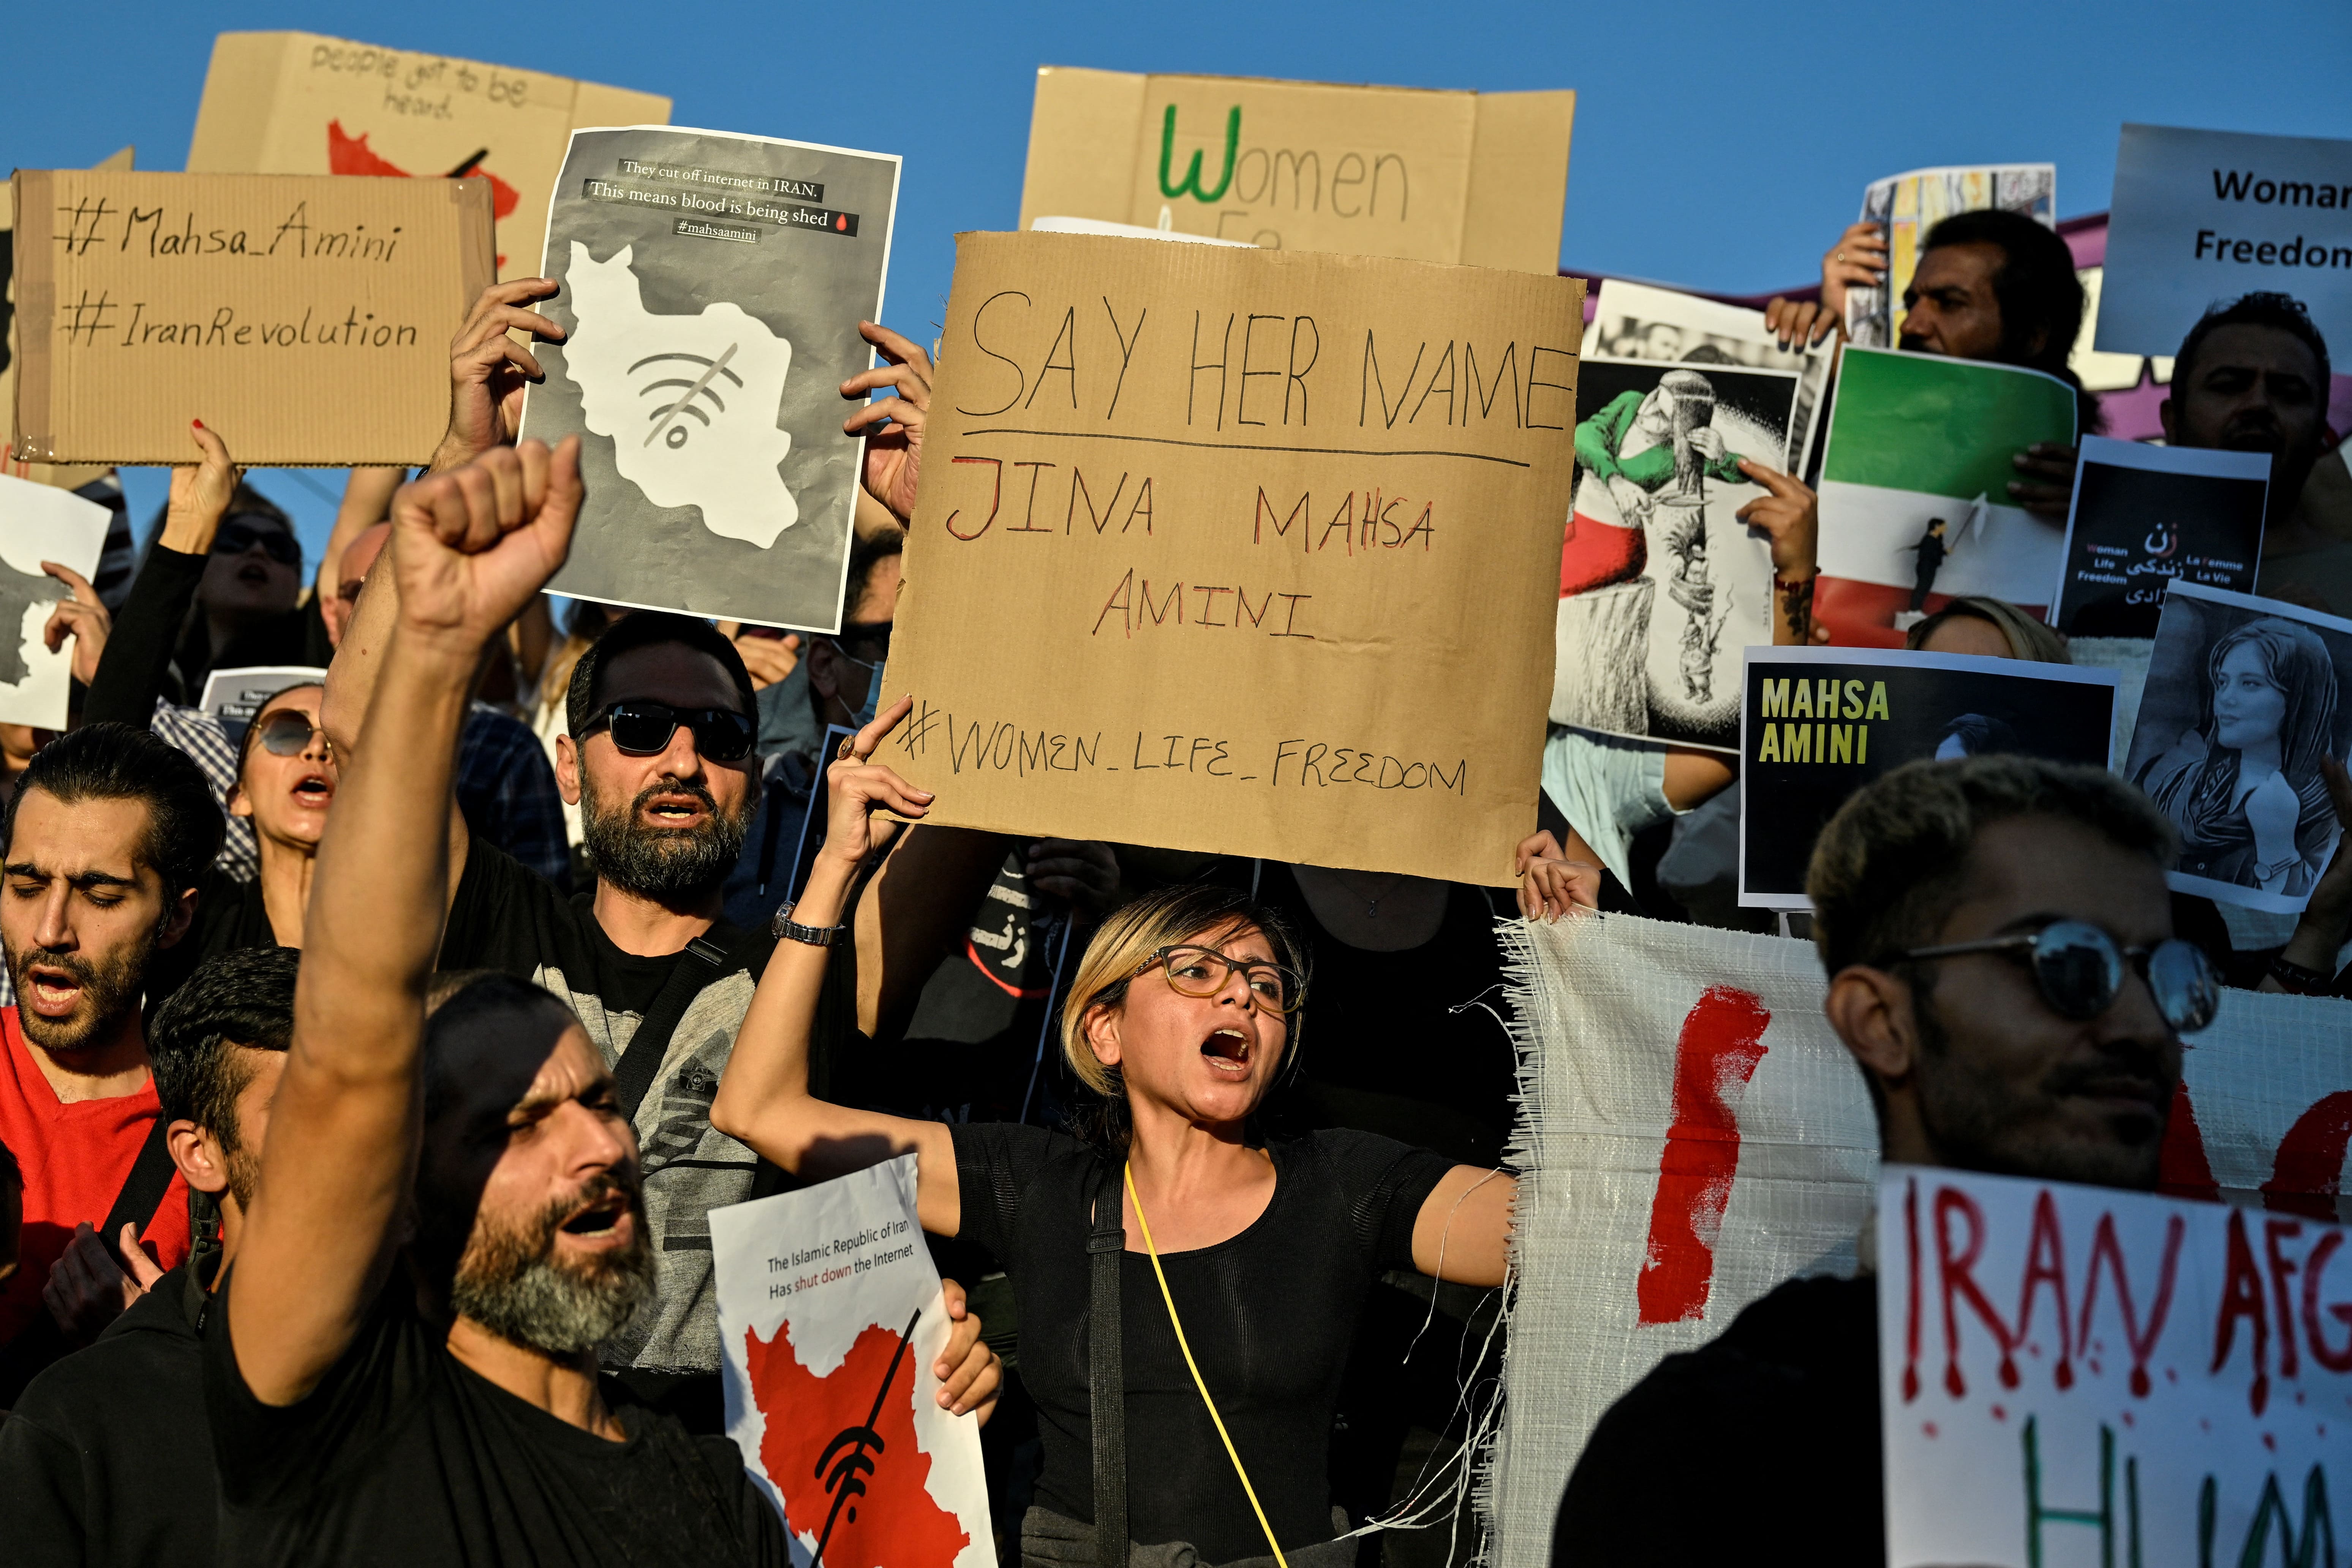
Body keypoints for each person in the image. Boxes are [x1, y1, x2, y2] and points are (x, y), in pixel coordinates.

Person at [202, 437, 997, 1565]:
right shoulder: (495, 928)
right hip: (486, 1417)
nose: (680, 756)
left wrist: (958, 537)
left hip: (734, 1475)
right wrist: (458, 463)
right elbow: (362, 734)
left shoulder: (806, 964)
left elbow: (987, 780)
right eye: (637, 726)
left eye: (718, 735)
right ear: (570, 766)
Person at [710, 700, 1517, 1568]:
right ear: (1106, 1029)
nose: (1240, 995)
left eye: (1265, 983)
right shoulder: (1036, 1181)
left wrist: (1572, 949)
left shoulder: (1347, 1180)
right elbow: (759, 1107)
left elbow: (1575, 1233)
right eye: (1194, 970)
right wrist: (837, 866)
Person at [1552, 754, 2222, 1565]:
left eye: (2168, 977)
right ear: (1880, 1020)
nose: (2144, 1026)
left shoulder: (2285, 1406)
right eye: (2069, 964)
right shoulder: (1715, 1447)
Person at [0, 947, 299, 1566]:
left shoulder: (467, 1370)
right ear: (199, 1153)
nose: (352, 1133)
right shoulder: (75, 1423)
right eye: (302, 1110)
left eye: (376, 1100)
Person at [0, 724, 219, 1403]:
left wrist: (147, 1342)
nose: (51, 929)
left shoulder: (216, 1145)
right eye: (26, 884)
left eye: (100, 894)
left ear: (175, 919)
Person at [2155, 293, 2346, 613]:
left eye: (2288, 394)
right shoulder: (2093, 559)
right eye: (2229, 386)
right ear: (2173, 421)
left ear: (2320, 437)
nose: (2258, 404)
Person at [2133, 615, 2340, 899]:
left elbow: (2311, 912)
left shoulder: (2327, 808)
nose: (2225, 698)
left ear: (2298, 699)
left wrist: (2277, 847)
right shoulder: (2181, 783)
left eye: (2250, 684)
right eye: (2222, 681)